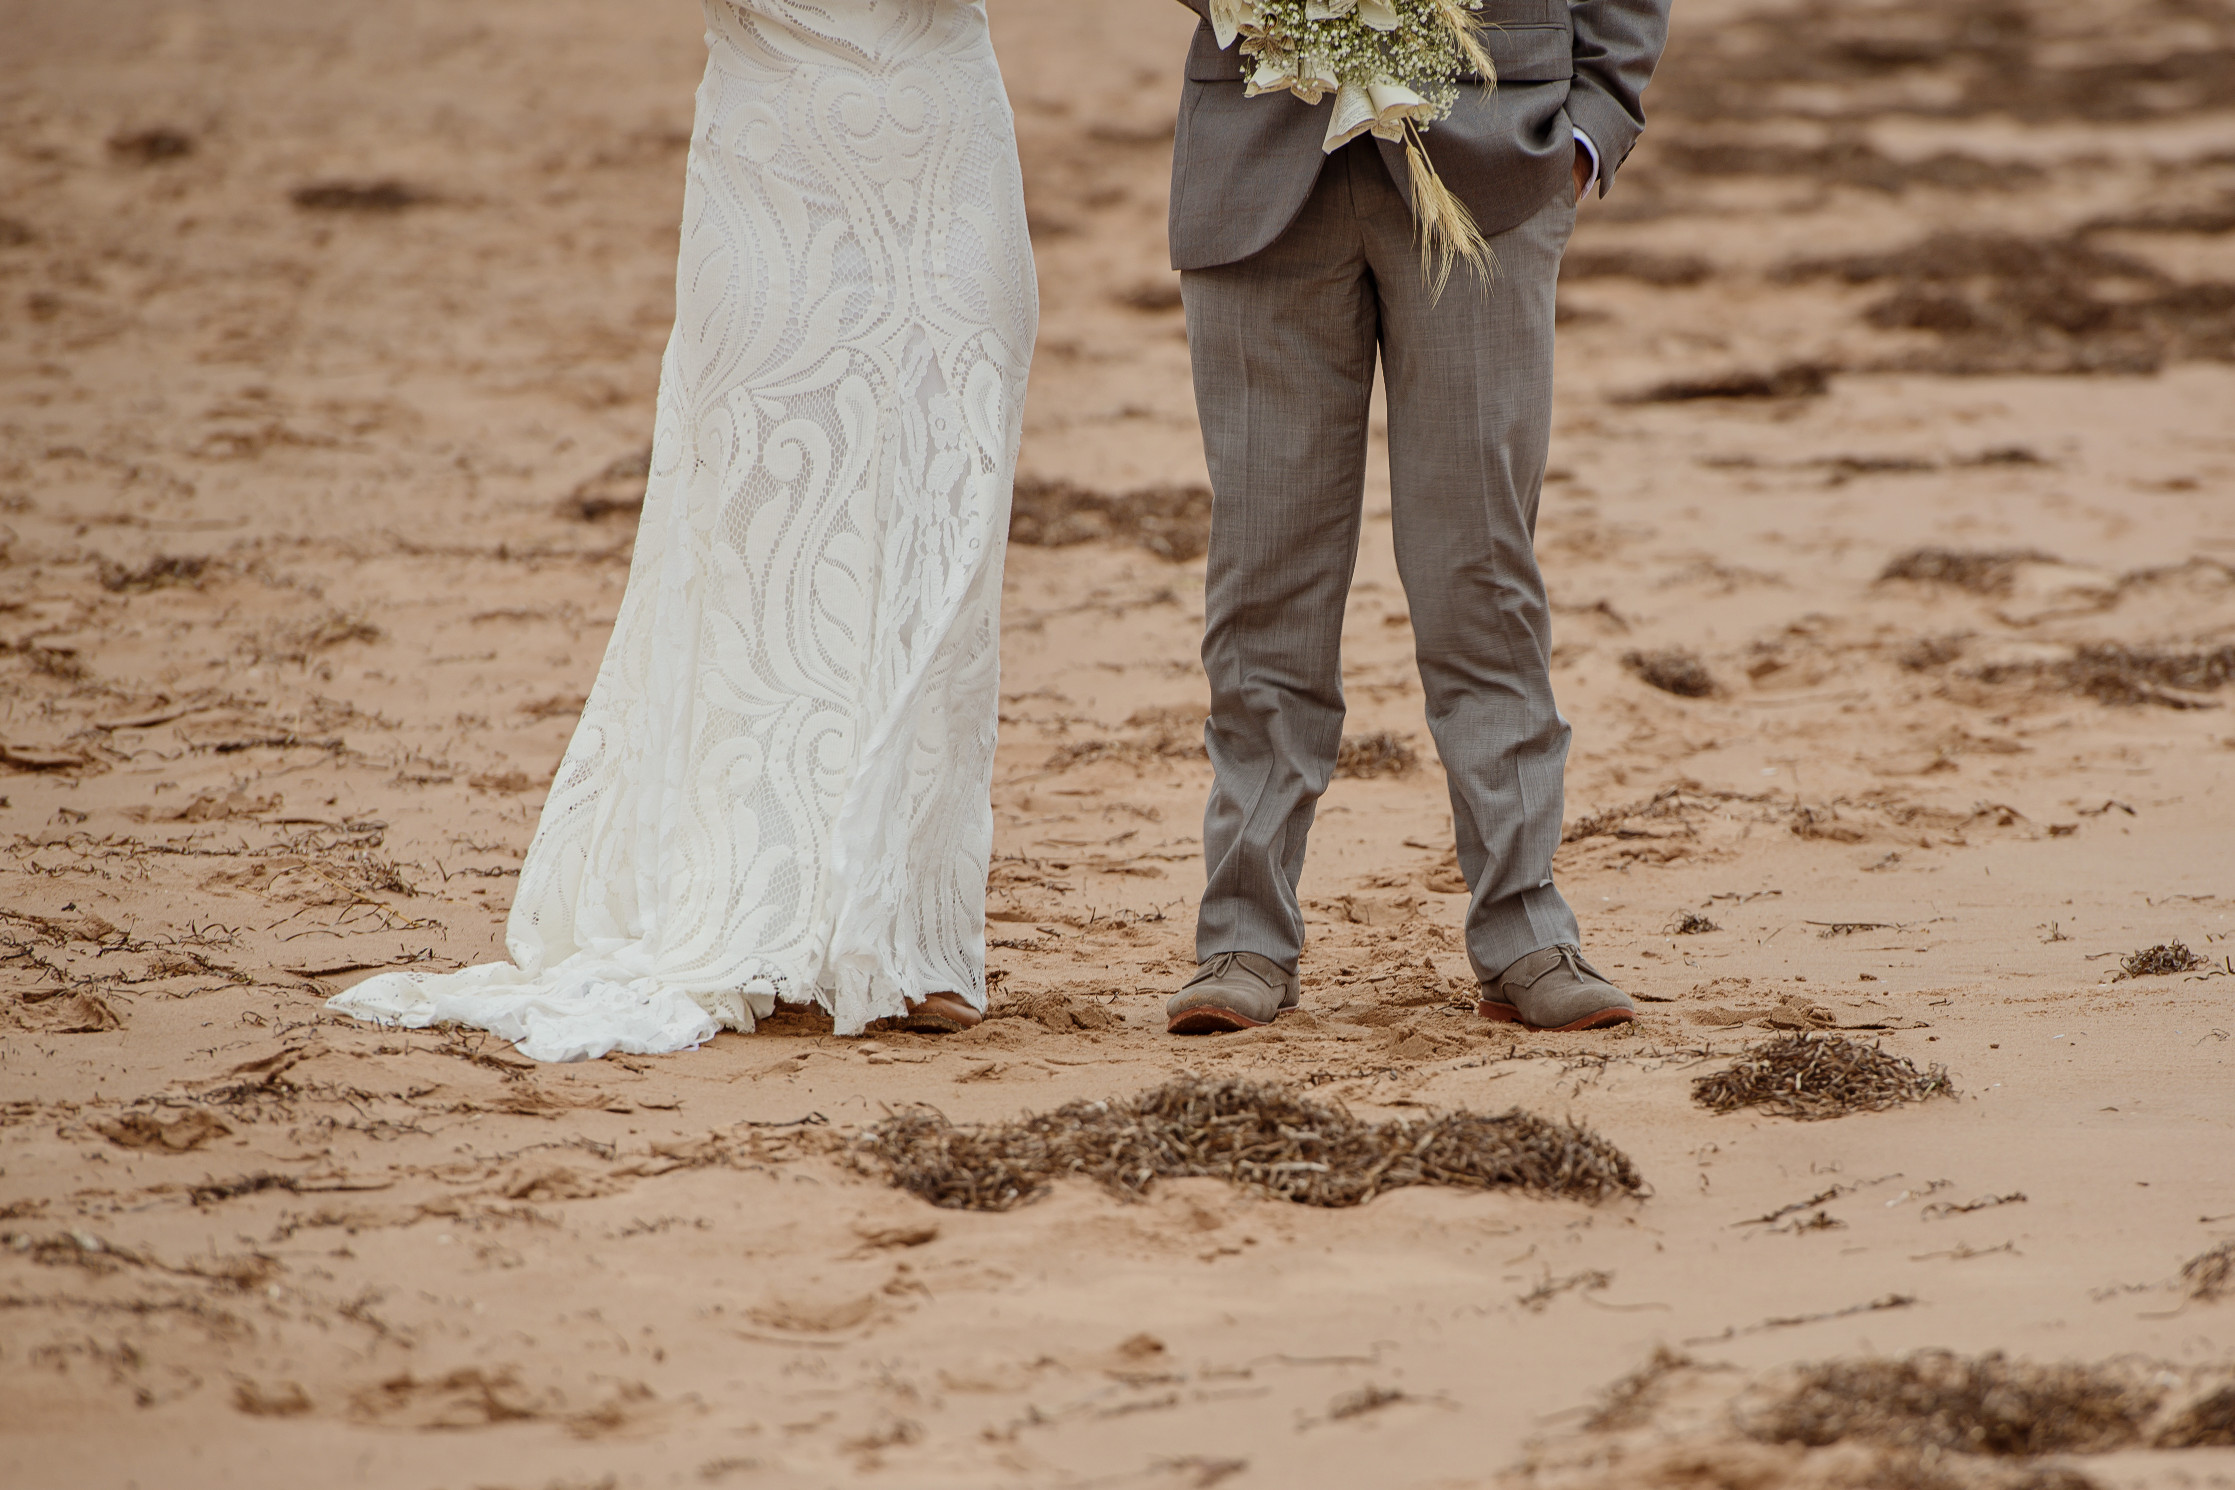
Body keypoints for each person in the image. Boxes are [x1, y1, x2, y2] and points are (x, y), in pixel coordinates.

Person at [330, 0, 1037, 1062]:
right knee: (761, 536)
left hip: (941, 135)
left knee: (945, 516)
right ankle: (758, 910)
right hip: (774, 153)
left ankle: (909, 935)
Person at [1159, 0, 1671, 1036]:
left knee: (1478, 567)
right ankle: (1243, 935)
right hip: (1263, 145)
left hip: (1493, 156)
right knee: (1263, 571)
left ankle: (1526, 927)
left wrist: (1590, 130)